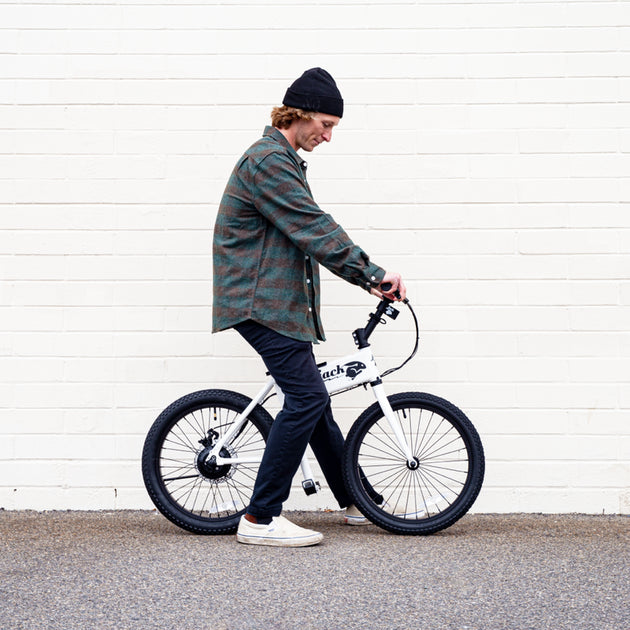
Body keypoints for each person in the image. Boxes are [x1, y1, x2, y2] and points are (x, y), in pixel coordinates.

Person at [212, 68, 406, 547]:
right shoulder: (267, 162)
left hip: (277, 305)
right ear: (298, 114)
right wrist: (371, 273)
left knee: (314, 401)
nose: (328, 136)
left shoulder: (282, 161)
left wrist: (365, 280)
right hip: (258, 303)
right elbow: (313, 227)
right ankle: (260, 518)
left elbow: (304, 234)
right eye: (326, 124)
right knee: (307, 399)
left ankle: (355, 500)